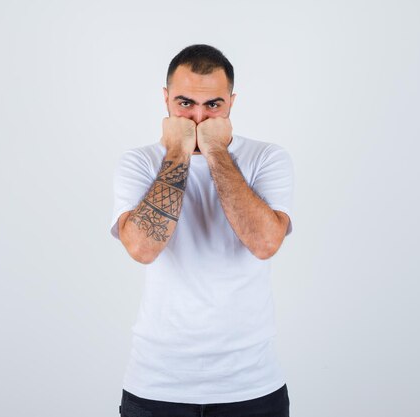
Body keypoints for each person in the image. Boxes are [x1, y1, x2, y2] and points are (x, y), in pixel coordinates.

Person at [110, 44, 294, 417]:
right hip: (156, 384)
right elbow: (143, 248)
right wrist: (177, 152)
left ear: (231, 102)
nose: (197, 117)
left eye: (213, 105)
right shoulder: (139, 162)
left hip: (252, 385)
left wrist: (215, 152)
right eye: (184, 103)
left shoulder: (267, 158)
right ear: (165, 99)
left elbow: (264, 243)